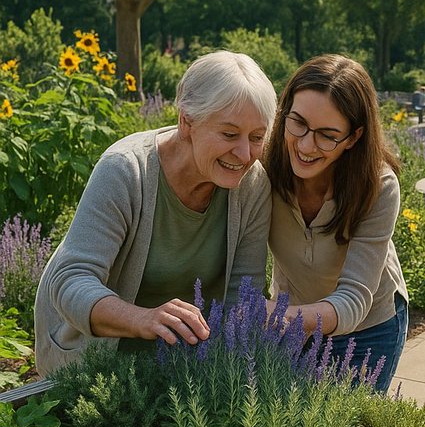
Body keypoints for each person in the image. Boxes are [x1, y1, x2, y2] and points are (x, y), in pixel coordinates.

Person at [35, 51, 275, 373]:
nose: (245, 154)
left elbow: (242, 298)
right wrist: (143, 319)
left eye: (256, 137)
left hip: (181, 370)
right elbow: (70, 281)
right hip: (95, 368)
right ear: (186, 121)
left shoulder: (252, 186)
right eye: (229, 134)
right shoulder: (125, 171)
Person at [265, 54, 409, 391]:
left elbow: (355, 298)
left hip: (369, 327)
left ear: (354, 137)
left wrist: (285, 316)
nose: (305, 145)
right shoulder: (262, 171)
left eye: (327, 135)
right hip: (292, 321)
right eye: (297, 122)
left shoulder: (378, 186)